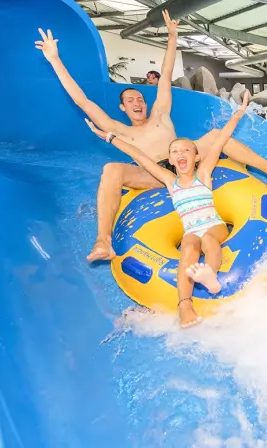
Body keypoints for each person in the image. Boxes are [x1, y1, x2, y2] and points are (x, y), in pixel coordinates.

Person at [35, 10, 267, 262]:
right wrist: (55, 60)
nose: (137, 102)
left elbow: (166, 73)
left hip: (184, 161)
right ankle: (103, 240)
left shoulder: (160, 114)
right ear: (122, 108)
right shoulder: (121, 130)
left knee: (217, 134)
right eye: (130, 100)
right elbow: (82, 101)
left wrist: (172, 37)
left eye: (140, 98)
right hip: (155, 174)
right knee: (111, 169)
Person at [86, 93, 250, 327]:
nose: (180, 154)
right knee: (188, 249)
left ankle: (210, 275)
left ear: (196, 157)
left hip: (214, 225)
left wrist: (239, 113)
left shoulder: (204, 174)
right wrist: (111, 137)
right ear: (170, 161)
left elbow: (220, 140)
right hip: (191, 230)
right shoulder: (170, 182)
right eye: (175, 152)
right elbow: (138, 155)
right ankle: (185, 305)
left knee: (209, 240)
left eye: (186, 151)